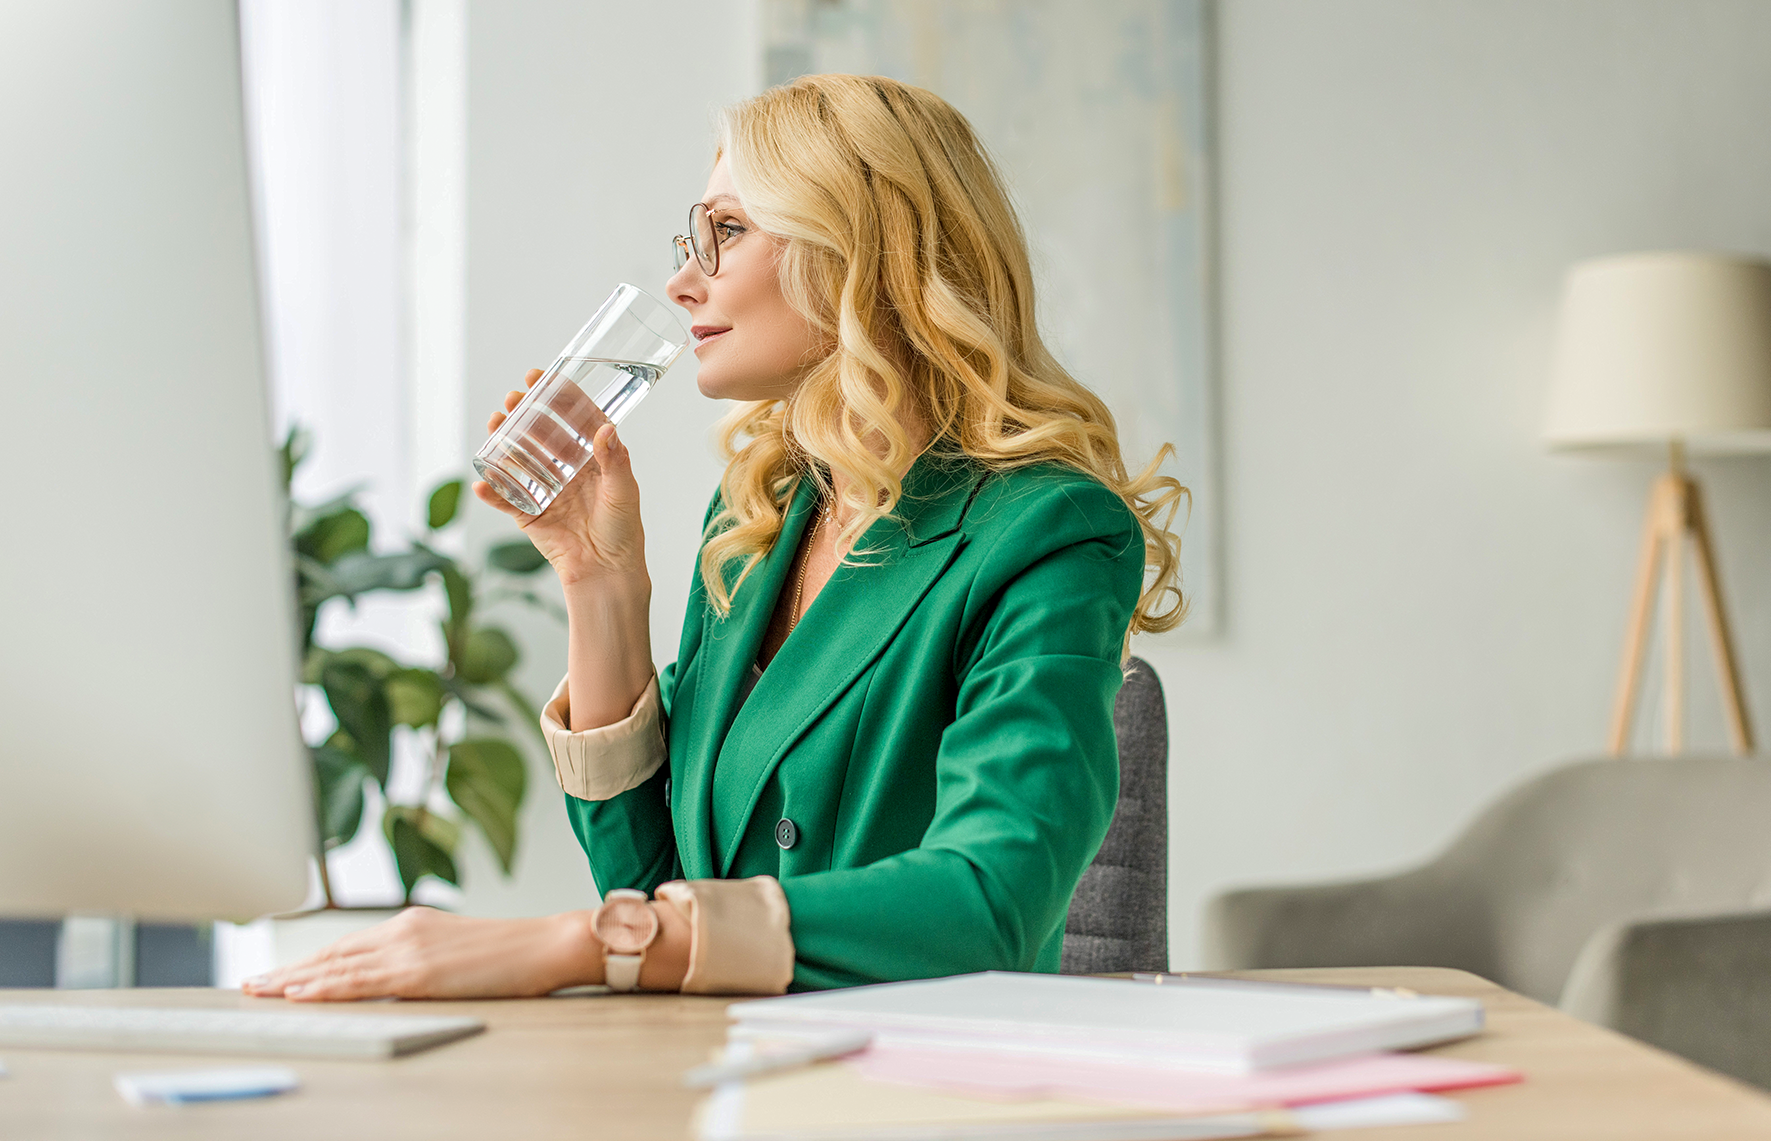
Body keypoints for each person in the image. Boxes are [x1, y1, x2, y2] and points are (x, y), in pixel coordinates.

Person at [244, 74, 1186, 1000]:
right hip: (724, 1072)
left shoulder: (1048, 530)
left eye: (727, 232)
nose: (681, 279)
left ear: (859, 255)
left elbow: (991, 902)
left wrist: (582, 945)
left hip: (913, 1085)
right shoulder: (759, 516)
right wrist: (599, 581)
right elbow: (654, 891)